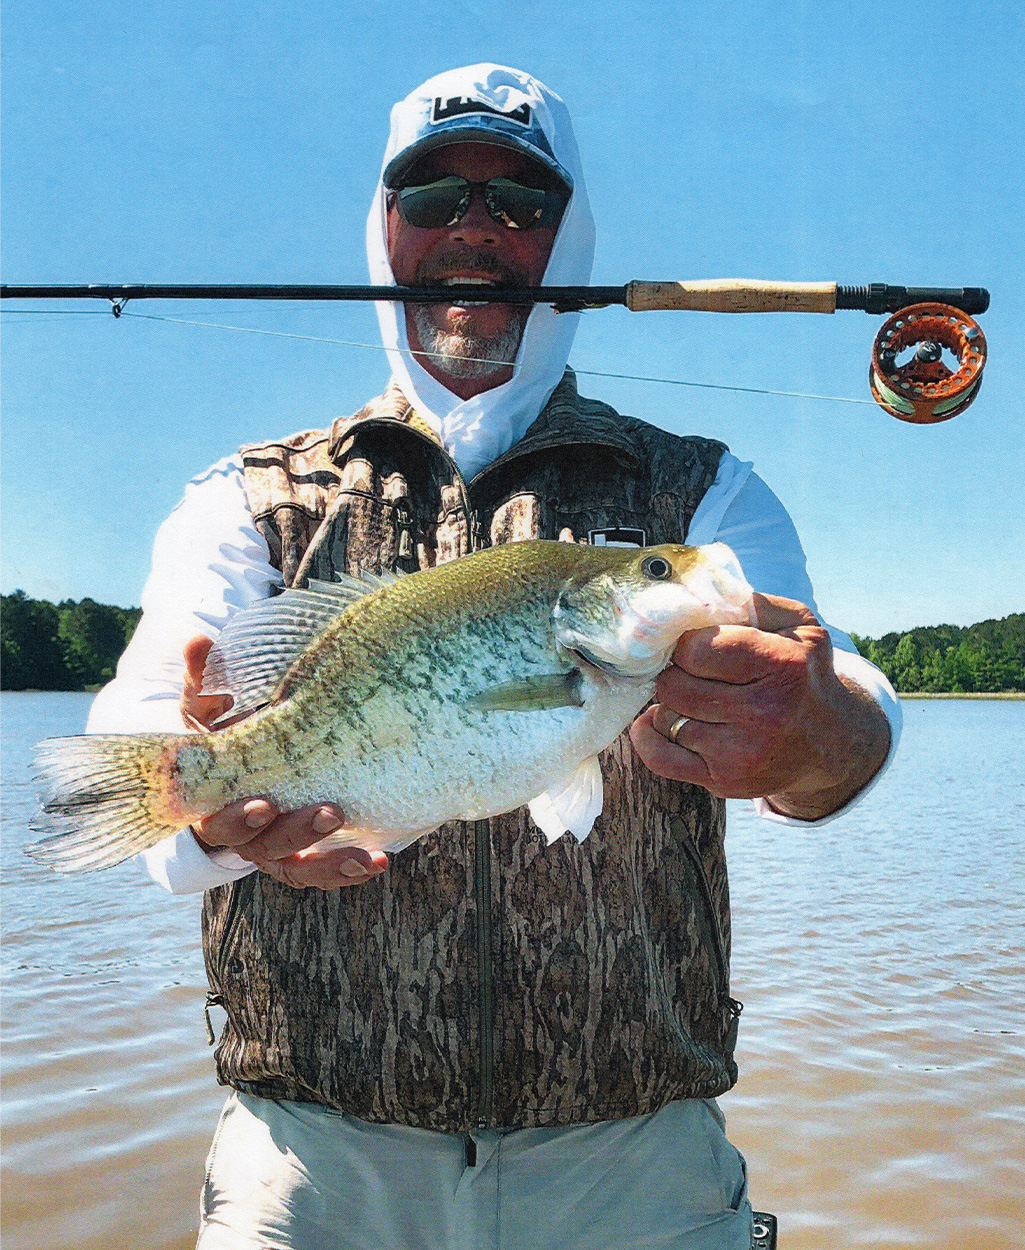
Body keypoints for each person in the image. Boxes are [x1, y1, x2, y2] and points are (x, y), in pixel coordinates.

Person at [88, 65, 898, 1250]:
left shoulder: (704, 491)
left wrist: (813, 719)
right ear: (383, 228)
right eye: (432, 194)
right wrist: (209, 821)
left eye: (520, 203)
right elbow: (147, 751)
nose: (474, 227)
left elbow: (843, 732)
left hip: (634, 1164)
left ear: (568, 241)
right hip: (313, 1167)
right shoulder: (244, 497)